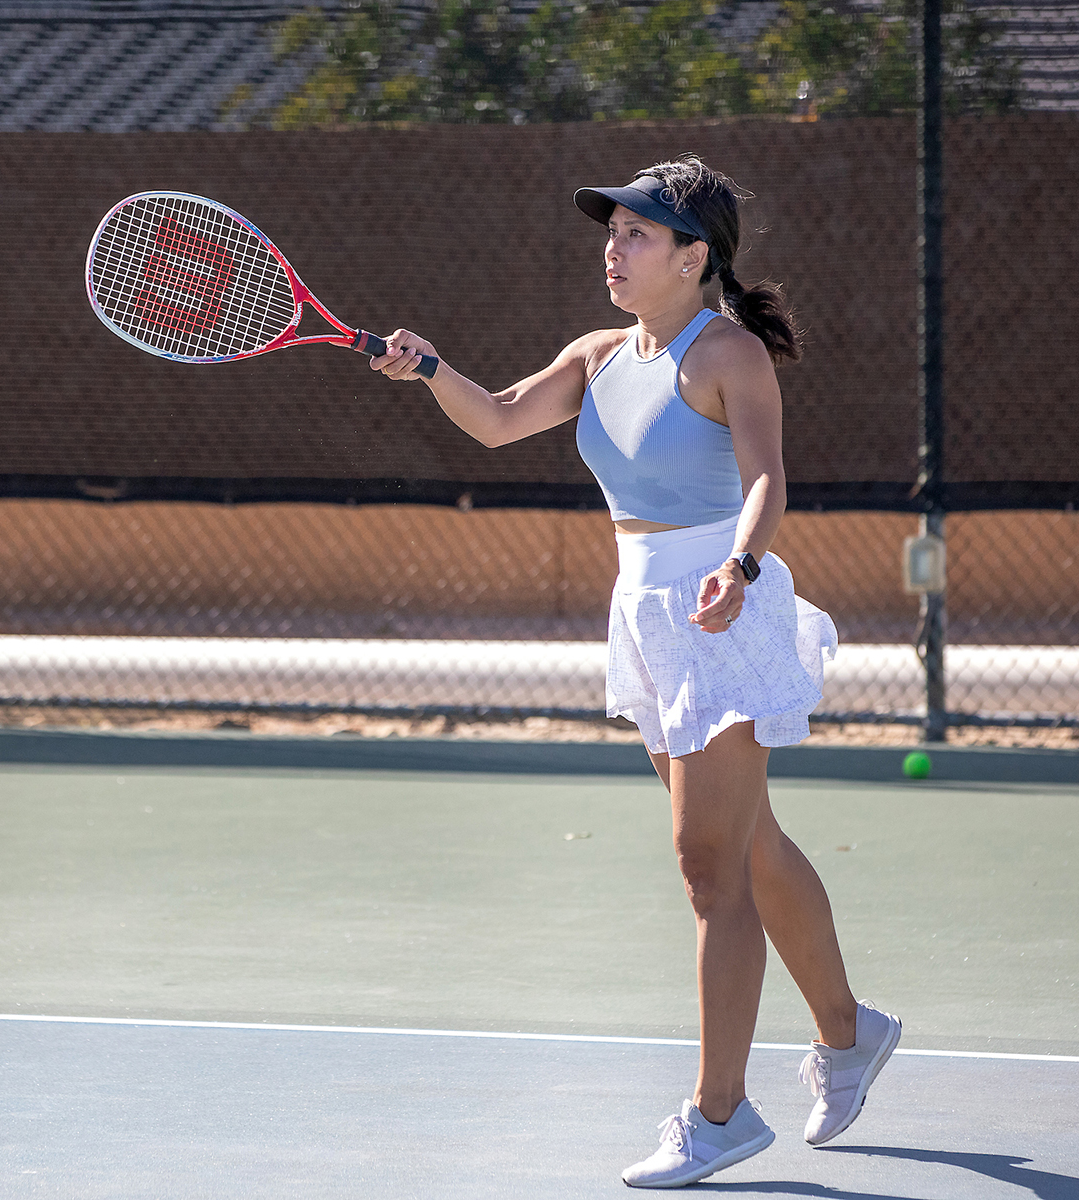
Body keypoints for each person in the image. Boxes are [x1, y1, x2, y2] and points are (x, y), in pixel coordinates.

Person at [369, 155, 901, 1189]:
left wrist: (741, 567)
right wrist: (429, 367)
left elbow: (766, 481)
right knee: (749, 848)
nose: (613, 249)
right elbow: (499, 417)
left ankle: (721, 1114)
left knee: (709, 868)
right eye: (611, 232)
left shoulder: (728, 352)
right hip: (646, 613)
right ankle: (851, 1033)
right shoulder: (600, 354)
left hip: (722, 610)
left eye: (637, 234)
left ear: (693, 256)